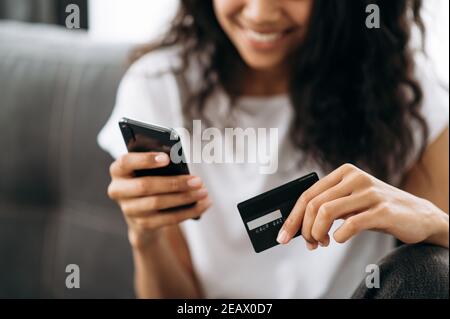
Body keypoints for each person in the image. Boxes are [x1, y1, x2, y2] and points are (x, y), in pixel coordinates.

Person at [98, 0, 449, 298]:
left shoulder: (400, 90)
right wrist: (144, 235)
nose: (261, 13)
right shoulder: (159, 88)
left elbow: (433, 274)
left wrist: (437, 224)